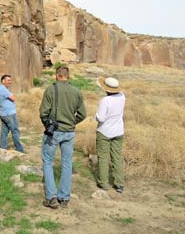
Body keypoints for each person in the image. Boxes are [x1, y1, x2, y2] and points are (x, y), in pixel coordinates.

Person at [39, 66, 86, 209]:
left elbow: (43, 113)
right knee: (67, 164)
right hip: (69, 132)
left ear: (57, 75)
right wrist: (72, 122)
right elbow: (82, 114)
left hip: (54, 132)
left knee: (47, 161)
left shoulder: (51, 90)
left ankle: (51, 197)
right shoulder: (76, 91)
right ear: (68, 76)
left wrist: (48, 125)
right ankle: (64, 198)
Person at [95, 76, 126, 193]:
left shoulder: (105, 101)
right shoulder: (122, 96)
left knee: (103, 157)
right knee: (117, 156)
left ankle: (103, 182)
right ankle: (119, 183)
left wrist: (96, 117)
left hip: (104, 131)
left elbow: (100, 118)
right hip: (118, 131)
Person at [0, 74, 24, 153]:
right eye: (8, 80)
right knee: (15, 131)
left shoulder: (1, 89)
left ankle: (2, 148)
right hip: (9, 114)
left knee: (4, 132)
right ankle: (19, 149)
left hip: (4, 114)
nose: (10, 82)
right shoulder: (3, 90)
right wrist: (13, 96)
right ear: (3, 81)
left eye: (10, 80)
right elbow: (13, 98)